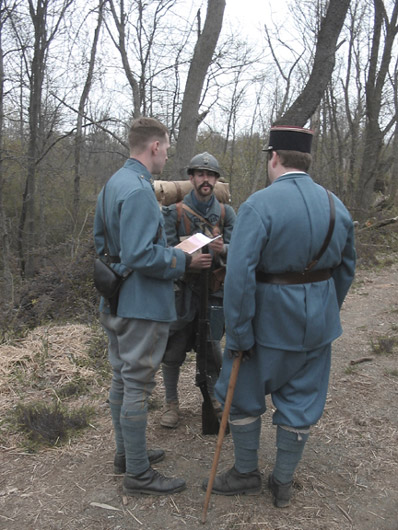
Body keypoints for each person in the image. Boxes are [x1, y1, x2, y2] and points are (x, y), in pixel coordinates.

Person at [203, 126, 356, 507]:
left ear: (274, 157)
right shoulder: (337, 206)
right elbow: (347, 269)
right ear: (307, 160)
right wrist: (324, 311)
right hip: (317, 323)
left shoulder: (259, 205)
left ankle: (244, 474)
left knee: (240, 397)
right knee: (302, 401)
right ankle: (282, 482)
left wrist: (238, 334)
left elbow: (239, 276)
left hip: (265, 325)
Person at [94, 117, 212, 496]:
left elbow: (105, 245)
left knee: (121, 378)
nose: (167, 158)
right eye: (167, 149)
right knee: (137, 385)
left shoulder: (114, 184)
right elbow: (142, 255)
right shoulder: (141, 190)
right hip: (141, 304)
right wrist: (182, 259)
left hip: (114, 298)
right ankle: (139, 475)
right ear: (155, 147)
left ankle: (127, 456)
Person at [160, 152, 236, 428]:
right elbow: (164, 251)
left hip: (214, 293)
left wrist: (223, 249)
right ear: (191, 178)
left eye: (211, 175)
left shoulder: (227, 214)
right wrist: (188, 262)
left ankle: (214, 399)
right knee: (172, 352)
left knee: (212, 348)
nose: (206, 180)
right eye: (200, 174)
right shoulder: (174, 212)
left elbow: (242, 251)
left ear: (216, 180)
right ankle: (171, 404)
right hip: (182, 293)